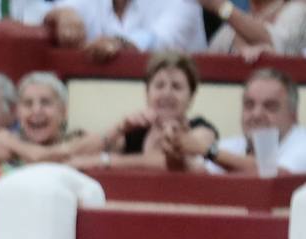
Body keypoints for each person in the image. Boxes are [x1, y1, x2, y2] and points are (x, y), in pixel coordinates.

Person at [72, 51, 216, 171]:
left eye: (176, 87)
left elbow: (167, 162)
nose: (167, 93)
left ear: (191, 97)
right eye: (159, 86)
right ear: (147, 93)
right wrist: (119, 127)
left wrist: (107, 161)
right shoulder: (135, 132)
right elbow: (80, 154)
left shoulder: (201, 128)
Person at [204, 68, 306, 175]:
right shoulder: (228, 146)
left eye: (270, 106)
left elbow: (274, 176)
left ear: (293, 115)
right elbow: (200, 172)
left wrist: (208, 151)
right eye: (249, 105)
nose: (256, 114)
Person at [44, 0, 207, 61]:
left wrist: (117, 43)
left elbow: (158, 41)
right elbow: (54, 12)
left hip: (174, 112)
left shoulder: (184, 2)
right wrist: (63, 14)